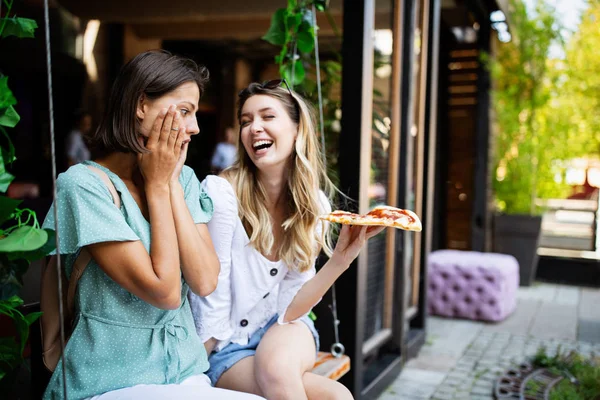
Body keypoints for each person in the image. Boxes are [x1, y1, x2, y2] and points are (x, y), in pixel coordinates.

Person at [42, 50, 263, 400]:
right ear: (141, 105)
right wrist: (159, 186)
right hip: (109, 380)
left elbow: (205, 280)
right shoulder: (83, 186)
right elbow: (166, 293)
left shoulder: (184, 179)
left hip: (184, 373)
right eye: (185, 111)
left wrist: (170, 183)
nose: (195, 127)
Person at [189, 80, 384, 399]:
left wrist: (339, 262)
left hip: (283, 329)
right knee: (336, 396)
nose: (254, 128)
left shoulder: (314, 205)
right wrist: (192, 369)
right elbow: (212, 295)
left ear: (297, 130)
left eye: (267, 117)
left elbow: (290, 310)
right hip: (226, 344)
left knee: (282, 370)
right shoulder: (222, 194)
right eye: (246, 121)